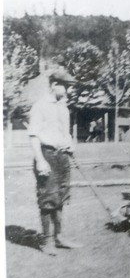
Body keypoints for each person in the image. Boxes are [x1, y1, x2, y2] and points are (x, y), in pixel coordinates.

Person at [28, 74, 80, 255]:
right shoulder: (40, 107)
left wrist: (70, 145)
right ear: (55, 85)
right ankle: (47, 241)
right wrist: (41, 160)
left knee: (61, 197)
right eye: (66, 86)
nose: (70, 90)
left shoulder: (63, 107)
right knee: (47, 199)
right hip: (46, 155)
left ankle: (59, 237)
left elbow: (65, 133)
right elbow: (34, 135)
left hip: (63, 157)